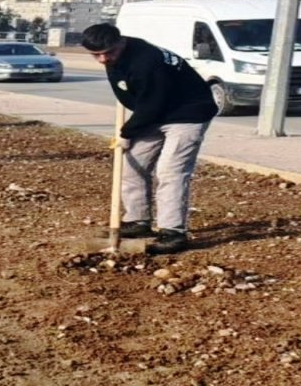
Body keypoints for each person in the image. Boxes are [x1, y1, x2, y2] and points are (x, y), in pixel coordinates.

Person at [80, 23, 219, 254]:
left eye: (109, 53)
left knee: (169, 172)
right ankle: (138, 220)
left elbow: (152, 104)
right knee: (131, 165)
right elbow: (139, 99)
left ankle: (173, 232)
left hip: (187, 114)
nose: (104, 59)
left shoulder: (147, 61)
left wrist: (126, 133)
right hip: (154, 113)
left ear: (121, 42)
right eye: (97, 55)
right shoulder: (117, 55)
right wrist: (132, 128)